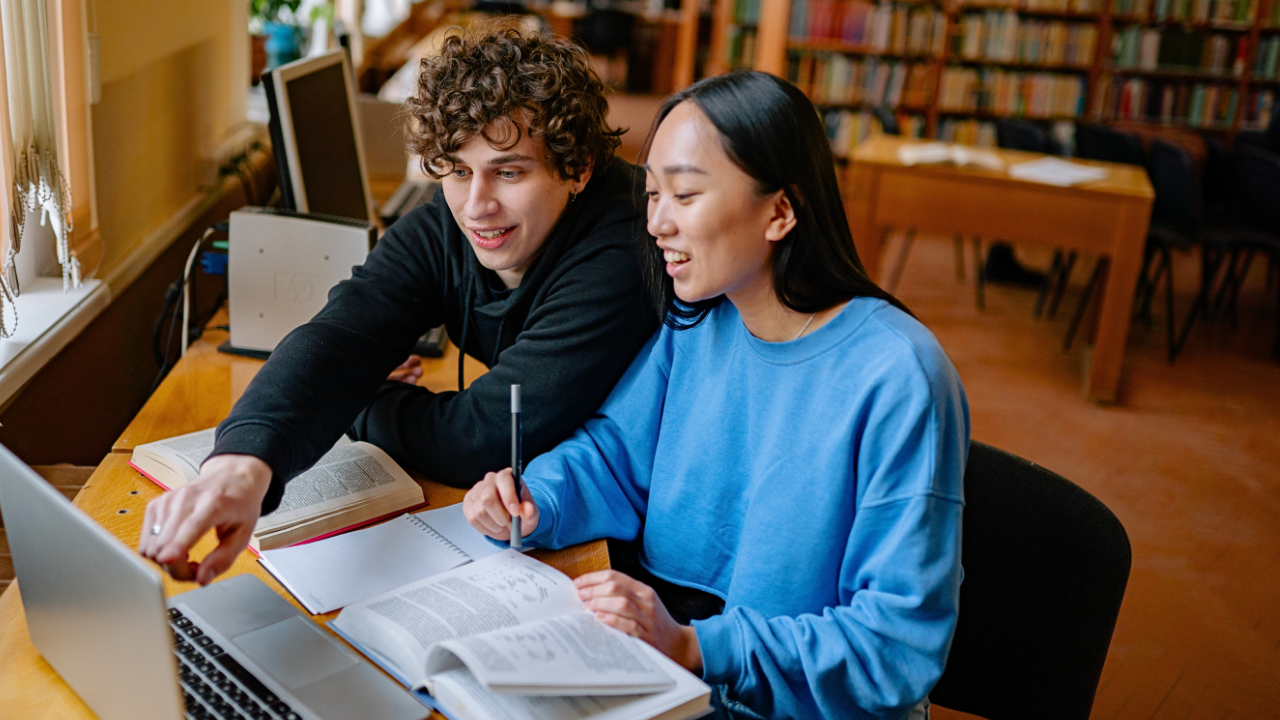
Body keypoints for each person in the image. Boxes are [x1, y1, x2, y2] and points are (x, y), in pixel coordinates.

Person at [463, 70, 969, 720]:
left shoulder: (899, 376)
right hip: (687, 679)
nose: (656, 223)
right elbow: (617, 452)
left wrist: (697, 646)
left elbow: (892, 645)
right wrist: (538, 499)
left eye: (685, 194)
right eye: (651, 194)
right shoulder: (701, 319)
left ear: (780, 211)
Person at [139, 25, 656, 586]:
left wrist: (366, 397)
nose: (476, 206)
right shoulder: (452, 216)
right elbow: (345, 331)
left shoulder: (625, 244)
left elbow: (481, 438)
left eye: (508, 172)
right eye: (458, 170)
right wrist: (241, 466)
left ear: (576, 167)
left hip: (634, 555)